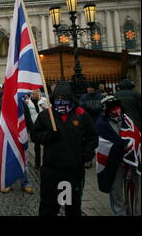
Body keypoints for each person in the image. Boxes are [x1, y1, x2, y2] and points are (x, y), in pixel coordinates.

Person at [32, 80, 98, 216]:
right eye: (57, 98)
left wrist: (84, 156)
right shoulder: (46, 115)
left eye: (63, 98)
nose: (60, 101)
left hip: (71, 172)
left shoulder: (81, 115)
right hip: (51, 171)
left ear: (70, 98)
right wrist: (48, 136)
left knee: (71, 206)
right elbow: (35, 134)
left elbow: (92, 137)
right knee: (49, 207)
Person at [95, 95, 141, 216]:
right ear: (106, 110)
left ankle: (134, 211)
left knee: (133, 188)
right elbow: (103, 144)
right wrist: (122, 146)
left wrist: (131, 146)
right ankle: (119, 213)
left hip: (130, 162)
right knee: (116, 191)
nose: (116, 110)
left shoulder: (126, 119)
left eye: (117, 107)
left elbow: (136, 135)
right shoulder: (101, 125)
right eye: (112, 108)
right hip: (114, 163)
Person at [24, 88, 48, 169]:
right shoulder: (27, 102)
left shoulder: (44, 100)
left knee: (46, 145)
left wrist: (45, 107)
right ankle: (37, 163)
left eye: (34, 94)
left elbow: (51, 110)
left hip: (44, 126)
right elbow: (27, 115)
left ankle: (46, 162)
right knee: (36, 146)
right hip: (34, 126)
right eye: (32, 94)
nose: (33, 95)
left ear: (38, 93)